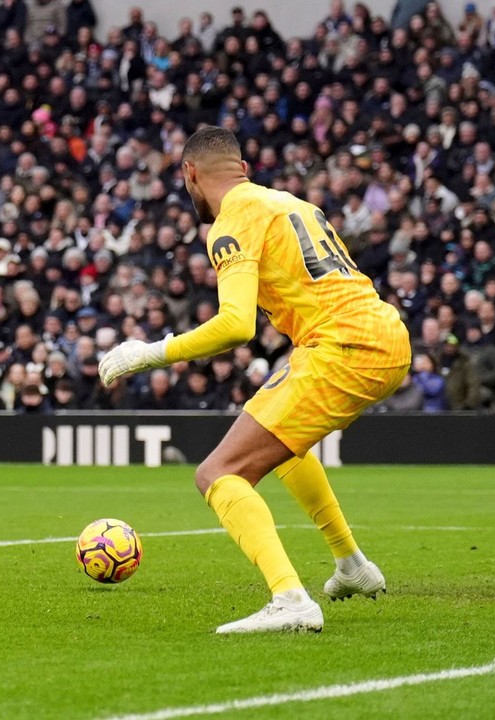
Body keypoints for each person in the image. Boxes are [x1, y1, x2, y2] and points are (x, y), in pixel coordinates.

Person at [99, 126, 411, 633]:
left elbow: (236, 326)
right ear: (242, 168)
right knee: (283, 444)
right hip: (383, 335)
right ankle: (352, 566)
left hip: (342, 347)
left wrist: (149, 352)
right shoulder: (288, 202)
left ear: (189, 175)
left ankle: (290, 599)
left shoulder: (231, 222)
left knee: (218, 472)